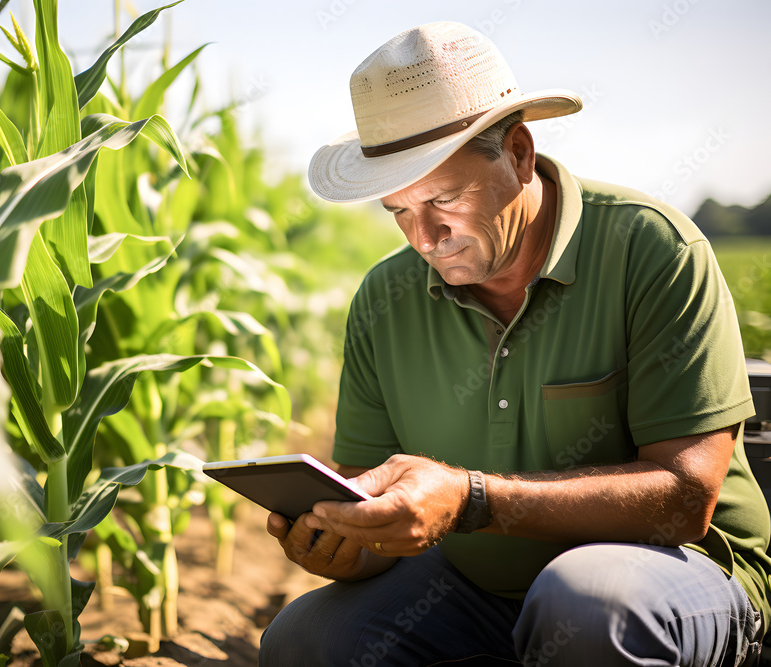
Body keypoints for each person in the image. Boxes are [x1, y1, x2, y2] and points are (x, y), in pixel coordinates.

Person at [259, 21, 771, 667]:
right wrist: (343, 541)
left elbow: (686, 496)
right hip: (475, 589)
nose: (425, 236)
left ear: (520, 154)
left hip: (679, 574)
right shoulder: (382, 301)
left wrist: (471, 499)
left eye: (444, 197)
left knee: (586, 607)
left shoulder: (653, 250)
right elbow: (372, 501)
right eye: (399, 210)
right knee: (303, 641)